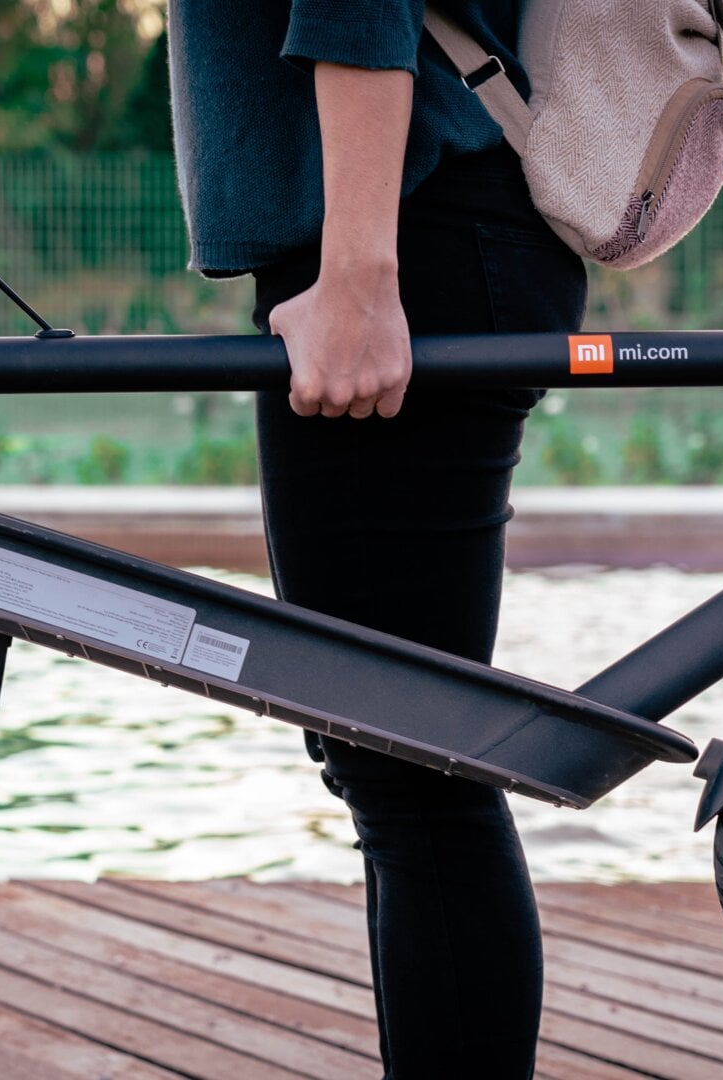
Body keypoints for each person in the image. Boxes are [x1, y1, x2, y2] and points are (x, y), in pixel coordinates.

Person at [168, 3, 587, 1075]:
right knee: (398, 762)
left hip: (403, 233)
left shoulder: (381, 250)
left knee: (415, 769)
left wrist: (360, 270)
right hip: (416, 227)